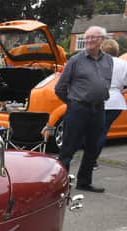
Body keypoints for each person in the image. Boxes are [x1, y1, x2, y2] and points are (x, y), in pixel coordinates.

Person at [55, 26, 112, 193]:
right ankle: (60, 185)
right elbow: (60, 87)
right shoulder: (76, 60)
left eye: (93, 38)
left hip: (99, 108)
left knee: (92, 148)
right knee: (68, 148)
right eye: (87, 38)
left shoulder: (108, 60)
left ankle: (84, 182)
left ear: (102, 39)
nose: (88, 41)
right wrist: (73, 103)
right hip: (78, 109)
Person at [95, 38, 127, 169]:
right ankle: (93, 160)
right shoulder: (123, 64)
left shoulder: (96, 62)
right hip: (116, 102)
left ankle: (90, 160)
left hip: (98, 100)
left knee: (95, 131)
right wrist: (120, 90)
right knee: (103, 131)